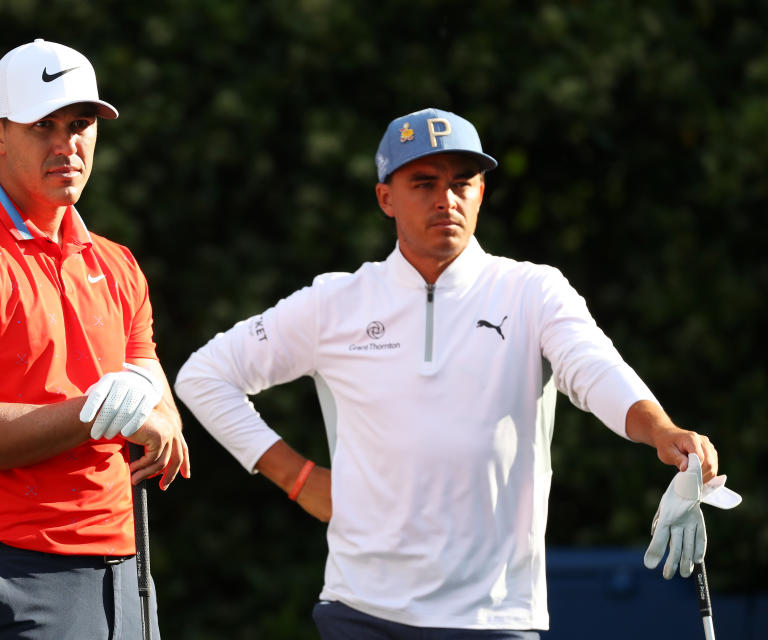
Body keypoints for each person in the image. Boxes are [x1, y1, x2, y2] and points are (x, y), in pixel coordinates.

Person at [174, 108, 722, 638]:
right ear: (385, 197)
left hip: (494, 617)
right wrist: (297, 478)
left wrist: (661, 429)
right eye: (424, 183)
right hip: (361, 607)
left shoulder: (532, 289)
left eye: (463, 182)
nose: (446, 200)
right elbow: (205, 375)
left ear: (481, 192)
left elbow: (594, 369)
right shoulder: (335, 301)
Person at [0, 39, 190, 639]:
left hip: (126, 576)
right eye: (42, 125)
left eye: (79, 124)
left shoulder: (118, 263)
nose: (66, 144)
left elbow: (155, 400)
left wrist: (154, 417)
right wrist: (99, 413)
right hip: (10, 577)